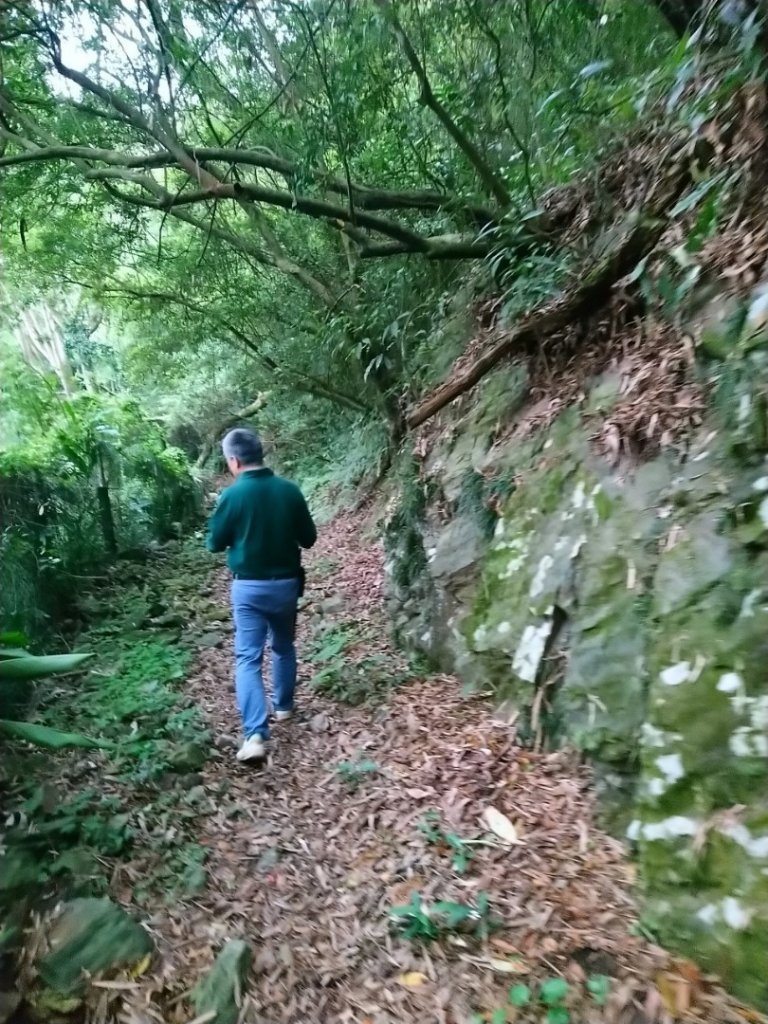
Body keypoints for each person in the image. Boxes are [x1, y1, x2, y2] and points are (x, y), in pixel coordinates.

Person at [206, 428, 317, 762]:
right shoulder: (289, 491)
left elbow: (214, 543)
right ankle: (284, 708)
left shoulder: (232, 497)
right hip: (285, 586)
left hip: (248, 589)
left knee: (247, 659)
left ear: (234, 460)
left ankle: (255, 734)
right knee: (283, 646)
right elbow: (308, 538)